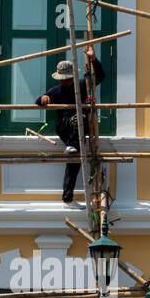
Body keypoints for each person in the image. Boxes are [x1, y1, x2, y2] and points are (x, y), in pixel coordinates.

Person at [36, 44, 106, 208]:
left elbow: (100, 76)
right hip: (65, 127)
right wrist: (44, 98)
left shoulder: (83, 85)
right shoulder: (56, 90)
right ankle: (73, 147)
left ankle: (67, 198)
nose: (66, 81)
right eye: (63, 79)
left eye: (68, 78)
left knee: (74, 161)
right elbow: (39, 101)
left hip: (81, 127)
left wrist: (93, 59)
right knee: (77, 122)